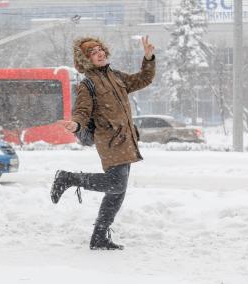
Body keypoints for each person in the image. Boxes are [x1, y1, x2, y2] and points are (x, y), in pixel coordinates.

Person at [51, 36, 156, 250]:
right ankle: (68, 178)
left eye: (100, 49)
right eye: (93, 52)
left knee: (118, 191)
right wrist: (76, 125)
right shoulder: (87, 84)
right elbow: (81, 111)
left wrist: (148, 57)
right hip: (109, 141)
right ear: (87, 60)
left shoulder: (116, 76)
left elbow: (143, 79)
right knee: (116, 184)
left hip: (126, 139)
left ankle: (99, 237)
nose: (100, 53)